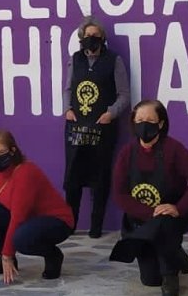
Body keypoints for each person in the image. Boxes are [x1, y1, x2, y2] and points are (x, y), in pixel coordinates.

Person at [109, 100, 188, 296]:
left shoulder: (173, 149)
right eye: (139, 120)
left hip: (174, 216)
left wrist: (179, 208)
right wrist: (151, 212)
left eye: (150, 120)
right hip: (143, 218)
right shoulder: (127, 153)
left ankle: (170, 274)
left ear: (161, 123)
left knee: (164, 225)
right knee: (150, 280)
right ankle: (178, 256)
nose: (144, 124)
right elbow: (119, 194)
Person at [0, 130, 74, 284]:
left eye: (1, 153)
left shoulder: (25, 172)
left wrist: (8, 255)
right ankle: (0, 258)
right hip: (28, 218)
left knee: (21, 239)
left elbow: (18, 217)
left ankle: (53, 255)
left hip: (56, 221)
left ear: (12, 151)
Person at [62, 16, 129, 238]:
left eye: (95, 36)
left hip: (102, 128)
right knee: (73, 176)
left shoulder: (114, 60)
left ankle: (96, 225)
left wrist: (111, 113)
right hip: (76, 127)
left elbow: (124, 94)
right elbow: (68, 88)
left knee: (99, 177)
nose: (91, 39)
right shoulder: (75, 59)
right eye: (87, 36)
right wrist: (67, 109)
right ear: (81, 38)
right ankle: (70, 223)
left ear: (102, 38)